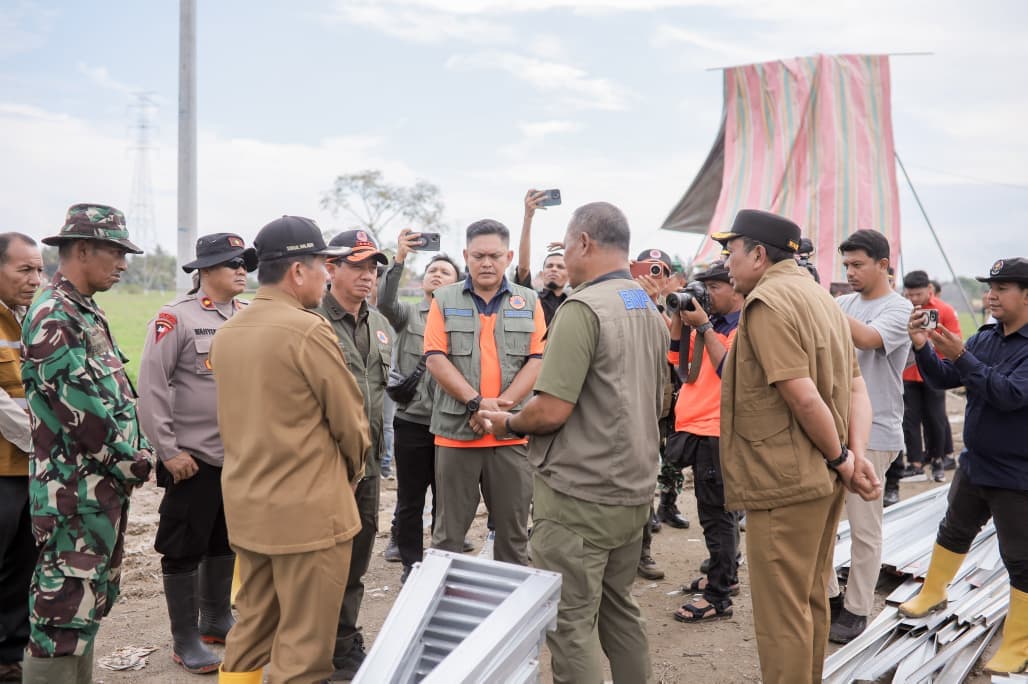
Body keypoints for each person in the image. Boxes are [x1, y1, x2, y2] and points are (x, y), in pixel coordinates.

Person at [478, 201, 669, 683]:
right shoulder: (645, 304)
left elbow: (551, 409)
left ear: (584, 242)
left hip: (581, 495)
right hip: (633, 488)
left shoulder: (582, 307)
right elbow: (660, 401)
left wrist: (507, 423)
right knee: (619, 608)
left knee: (570, 622)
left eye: (566, 246)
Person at [715, 209, 879, 684]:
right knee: (808, 598)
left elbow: (804, 396)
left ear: (759, 254)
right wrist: (854, 456)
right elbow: (855, 388)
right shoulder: (823, 297)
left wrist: (843, 458)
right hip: (820, 477)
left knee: (782, 615)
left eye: (732, 251)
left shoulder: (768, 302)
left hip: (784, 480)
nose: (726, 263)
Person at [210, 216, 369, 684]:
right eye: (323, 264)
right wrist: (351, 475)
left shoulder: (230, 331)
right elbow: (351, 424)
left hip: (248, 507)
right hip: (309, 516)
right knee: (304, 646)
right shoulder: (308, 330)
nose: (326, 274)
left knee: (252, 628)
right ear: (298, 270)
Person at [20, 204, 155, 682]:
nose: (123, 264)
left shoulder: (83, 308)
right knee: (60, 616)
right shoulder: (55, 314)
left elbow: (112, 394)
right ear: (81, 249)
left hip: (96, 494)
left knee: (84, 610)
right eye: (115, 252)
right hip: (74, 497)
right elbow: (82, 412)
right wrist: (133, 462)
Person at [897, 257, 1028, 674]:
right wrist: (922, 344)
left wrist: (960, 355)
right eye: (990, 286)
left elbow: (1008, 394)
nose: (991, 294)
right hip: (976, 464)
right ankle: (933, 592)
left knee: (1020, 559)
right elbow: (942, 379)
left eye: (1002, 287)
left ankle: (1019, 643)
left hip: (1017, 474)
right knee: (954, 530)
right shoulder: (988, 337)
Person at [137, 233, 257, 673]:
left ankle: (216, 619)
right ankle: (185, 637)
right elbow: (150, 390)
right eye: (231, 264)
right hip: (192, 458)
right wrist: (168, 451)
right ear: (203, 271)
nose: (242, 270)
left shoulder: (248, 316)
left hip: (238, 457)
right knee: (184, 546)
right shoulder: (176, 318)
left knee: (225, 539)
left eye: (245, 263)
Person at [423, 219, 545, 566]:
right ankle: (445, 614)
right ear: (466, 256)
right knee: (447, 537)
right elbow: (435, 357)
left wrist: (496, 412)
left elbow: (537, 358)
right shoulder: (443, 299)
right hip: (456, 436)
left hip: (510, 437)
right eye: (478, 256)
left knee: (513, 535)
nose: (486, 263)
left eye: (494, 255)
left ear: (508, 256)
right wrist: (476, 403)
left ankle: (512, 613)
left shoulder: (529, 300)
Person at [313, 229, 392, 679]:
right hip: (324, 466)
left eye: (373, 266)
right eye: (358, 265)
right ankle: (312, 649)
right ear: (331, 267)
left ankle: (343, 644)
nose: (368, 275)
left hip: (368, 465)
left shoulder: (380, 325)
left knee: (357, 559)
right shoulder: (311, 320)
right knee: (319, 563)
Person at [827, 230, 912, 643]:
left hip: (877, 431)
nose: (851, 272)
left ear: (883, 264)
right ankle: (829, 598)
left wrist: (815, 304)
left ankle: (857, 608)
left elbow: (867, 339)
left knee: (863, 528)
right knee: (822, 523)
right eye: (846, 265)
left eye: (858, 264)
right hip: (833, 429)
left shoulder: (899, 308)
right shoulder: (844, 301)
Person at [378, 229, 461, 582]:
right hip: (412, 421)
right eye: (432, 270)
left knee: (447, 501)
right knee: (411, 500)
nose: (437, 274)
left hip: (451, 422)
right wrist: (399, 258)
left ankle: (443, 563)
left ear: (458, 283)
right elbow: (383, 301)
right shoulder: (407, 316)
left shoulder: (464, 319)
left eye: (445, 271)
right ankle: (412, 565)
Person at [666, 260, 745, 623]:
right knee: (709, 511)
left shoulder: (743, 327)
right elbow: (677, 363)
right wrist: (681, 320)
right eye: (705, 287)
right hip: (696, 427)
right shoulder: (705, 325)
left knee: (719, 516)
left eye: (715, 287)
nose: (707, 294)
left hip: (719, 431)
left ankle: (719, 594)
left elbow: (729, 373)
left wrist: (706, 327)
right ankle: (720, 575)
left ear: (736, 288)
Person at [0, 234, 42, 682]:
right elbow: (5, 409)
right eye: (23, 270)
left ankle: (10, 658)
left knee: (21, 570)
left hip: (28, 469)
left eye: (38, 270)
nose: (34, 280)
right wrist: (49, 437)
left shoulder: (31, 319)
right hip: (7, 468)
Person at [896, 270, 961, 483]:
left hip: (935, 372)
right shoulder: (900, 310)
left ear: (929, 290)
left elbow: (956, 341)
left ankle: (938, 461)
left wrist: (931, 341)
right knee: (909, 419)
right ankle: (915, 463)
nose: (914, 299)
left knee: (935, 418)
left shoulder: (944, 310)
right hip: (907, 373)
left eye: (918, 295)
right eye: (910, 295)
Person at [514, 189, 569, 325]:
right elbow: (523, 268)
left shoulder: (574, 302)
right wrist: (528, 217)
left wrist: (573, 247)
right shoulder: (532, 299)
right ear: (542, 273)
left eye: (560, 266)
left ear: (569, 276)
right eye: (549, 266)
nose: (554, 269)